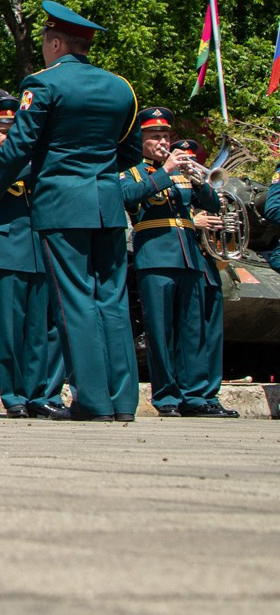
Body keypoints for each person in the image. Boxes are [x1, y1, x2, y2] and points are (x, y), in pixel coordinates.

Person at [0, 1, 143, 421]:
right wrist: (98, 172)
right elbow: (129, 150)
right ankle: (123, 402)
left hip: (61, 204)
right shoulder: (121, 87)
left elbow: (18, 147)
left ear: (55, 42)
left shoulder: (43, 83)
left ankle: (92, 401)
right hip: (107, 202)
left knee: (75, 301)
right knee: (112, 300)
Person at [0, 91, 66, 419]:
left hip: (38, 246)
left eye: (13, 129)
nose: (9, 136)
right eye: (3, 130)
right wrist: (30, 159)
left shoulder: (33, 157)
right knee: (10, 326)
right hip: (5, 248)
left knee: (42, 328)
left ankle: (44, 395)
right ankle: (15, 395)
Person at [121, 116, 236, 418]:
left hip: (189, 257)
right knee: (160, 332)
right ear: (140, 141)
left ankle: (195, 396)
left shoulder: (184, 173)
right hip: (156, 256)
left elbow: (212, 205)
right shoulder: (132, 173)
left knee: (192, 330)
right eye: (155, 136)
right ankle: (167, 397)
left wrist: (199, 181)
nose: (162, 142)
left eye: (165, 136)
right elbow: (128, 198)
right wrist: (166, 172)